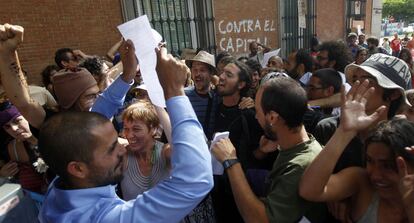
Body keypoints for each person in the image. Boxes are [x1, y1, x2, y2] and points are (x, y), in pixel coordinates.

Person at [37, 42, 214, 223]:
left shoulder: (64, 182)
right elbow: (196, 179)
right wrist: (174, 91)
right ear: (78, 168)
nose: (124, 147)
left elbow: (92, 123)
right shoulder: (105, 218)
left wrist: (127, 75)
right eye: (112, 148)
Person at [212, 77, 326, 223]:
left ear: (272, 117)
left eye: (258, 111)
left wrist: (230, 162)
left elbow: (260, 219)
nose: (255, 116)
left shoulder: (299, 166)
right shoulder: (291, 147)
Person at [300, 80, 414, 222]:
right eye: (370, 161)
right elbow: (309, 190)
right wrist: (344, 132)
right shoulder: (362, 183)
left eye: (388, 165)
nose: (376, 175)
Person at [0, 24, 136, 130]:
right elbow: (24, 103)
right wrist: (8, 52)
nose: (99, 98)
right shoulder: (54, 125)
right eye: (90, 96)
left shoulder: (96, 114)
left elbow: (121, 85)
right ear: (69, 101)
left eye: (97, 93)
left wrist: (130, 63)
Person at [314, 53, 412, 173]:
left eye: (367, 80)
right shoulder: (328, 129)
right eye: (355, 79)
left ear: (394, 93)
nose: (356, 85)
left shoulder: (403, 139)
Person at [0, 103, 48, 193]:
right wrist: (2, 176)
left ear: (28, 117)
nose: (14, 129)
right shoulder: (13, 149)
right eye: (7, 127)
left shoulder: (53, 135)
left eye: (17, 121)